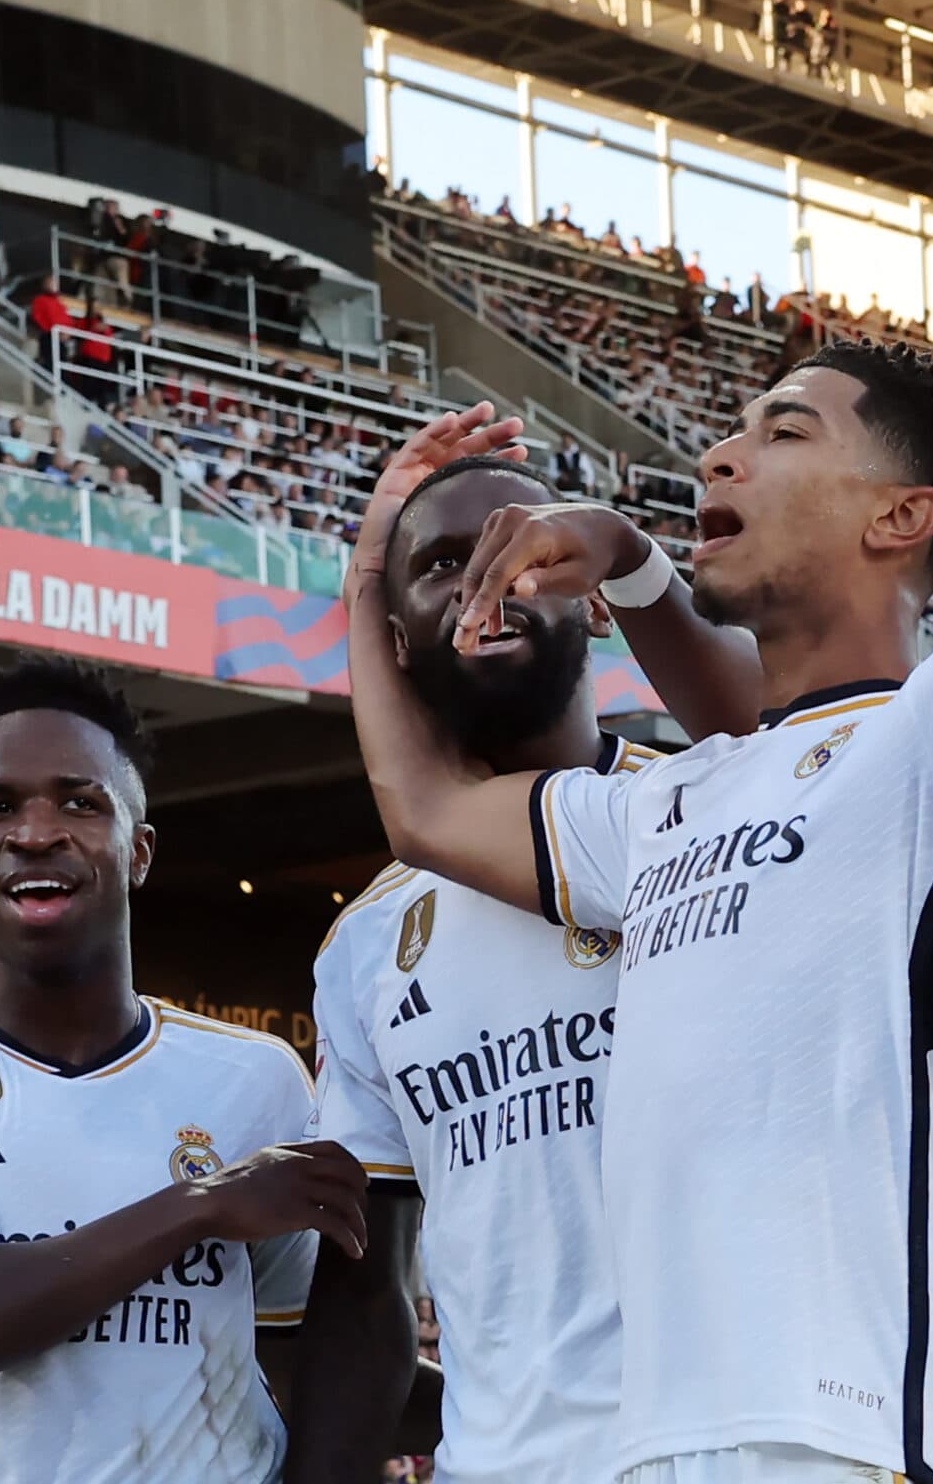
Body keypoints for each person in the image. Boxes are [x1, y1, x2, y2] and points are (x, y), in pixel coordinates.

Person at [342, 0, 933, 1482]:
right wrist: (372, 560)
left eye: (785, 431)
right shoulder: (671, 803)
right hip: (670, 1447)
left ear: (901, 519)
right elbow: (426, 808)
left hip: (875, 1440)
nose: (724, 449)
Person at [0, 654, 370, 1483]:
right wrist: (201, 1205)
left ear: (139, 850)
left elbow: (302, 1358)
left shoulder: (260, 1078)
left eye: (79, 800)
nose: (34, 831)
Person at [288, 455, 660, 1483]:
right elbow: (368, 1296)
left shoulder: (708, 817)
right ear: (395, 642)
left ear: (592, 598)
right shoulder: (367, 941)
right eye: (444, 562)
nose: (481, 582)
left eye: (515, 545)